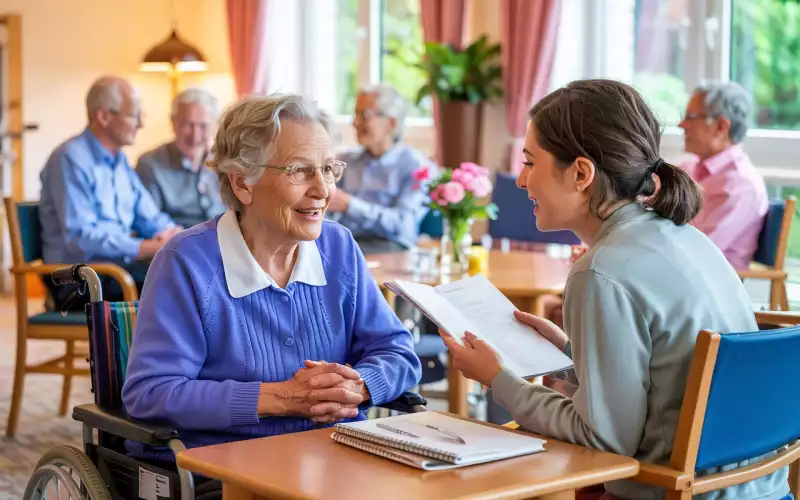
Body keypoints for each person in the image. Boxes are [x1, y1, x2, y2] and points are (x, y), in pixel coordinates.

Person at [440, 79, 788, 500]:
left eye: (530, 163)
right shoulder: (686, 237)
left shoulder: (600, 272)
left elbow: (606, 439)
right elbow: (669, 375)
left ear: (582, 173)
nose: (519, 180)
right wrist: (570, 354)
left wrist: (499, 380)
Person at [121, 94, 422, 496]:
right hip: (227, 468)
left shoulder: (339, 247)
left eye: (329, 169)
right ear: (242, 182)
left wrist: (361, 386)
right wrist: (280, 398)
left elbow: (398, 353)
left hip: (335, 460)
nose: (323, 190)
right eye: (300, 170)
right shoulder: (186, 262)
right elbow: (152, 392)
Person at [39, 76, 179, 310]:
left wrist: (173, 234)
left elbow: (150, 218)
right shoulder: (70, 159)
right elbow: (80, 238)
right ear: (104, 116)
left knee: (188, 274)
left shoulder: (120, 162)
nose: (140, 124)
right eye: (135, 116)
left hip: (114, 270)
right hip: (79, 278)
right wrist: (144, 247)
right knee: (175, 283)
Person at [328, 84, 433, 254]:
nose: (354, 123)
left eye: (364, 115)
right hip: (344, 245)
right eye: (355, 115)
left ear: (390, 122)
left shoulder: (415, 166)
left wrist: (349, 205)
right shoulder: (345, 161)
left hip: (389, 250)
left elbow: (403, 225)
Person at [679, 81, 768, 270]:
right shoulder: (688, 168)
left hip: (703, 285)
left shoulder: (740, 185)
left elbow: (698, 252)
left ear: (721, 126)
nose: (682, 124)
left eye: (691, 116)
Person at [136, 87, 226, 227]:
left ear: (215, 126)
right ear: (173, 123)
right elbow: (150, 220)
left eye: (203, 126)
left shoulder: (227, 162)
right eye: (188, 125)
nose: (195, 135)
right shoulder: (150, 165)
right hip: (178, 242)